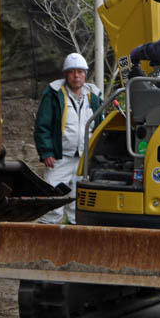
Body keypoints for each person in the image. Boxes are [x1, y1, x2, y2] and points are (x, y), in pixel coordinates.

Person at [33, 52, 102, 224]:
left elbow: (100, 126)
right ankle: (48, 238)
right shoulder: (54, 94)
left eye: (80, 71)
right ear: (66, 74)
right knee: (52, 198)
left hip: (84, 159)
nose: (76, 76)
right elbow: (42, 126)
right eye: (72, 72)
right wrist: (46, 151)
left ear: (85, 74)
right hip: (59, 158)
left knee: (78, 200)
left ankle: (74, 237)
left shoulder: (93, 97)